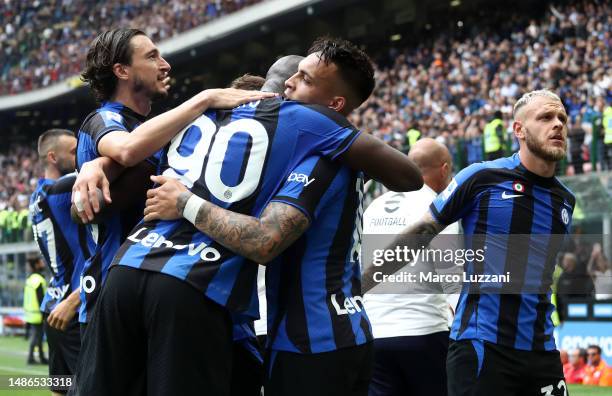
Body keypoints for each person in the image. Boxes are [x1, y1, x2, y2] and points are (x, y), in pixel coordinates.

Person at [73, 37, 421, 396]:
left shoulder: (199, 114)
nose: (292, 83)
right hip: (198, 288)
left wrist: (97, 164)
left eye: (305, 78)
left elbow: (100, 192)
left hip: (124, 271)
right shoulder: (312, 125)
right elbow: (408, 176)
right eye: (296, 75)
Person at [364, 90, 575, 395]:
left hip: (542, 350)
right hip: (483, 346)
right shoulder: (481, 178)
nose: (557, 124)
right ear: (518, 130)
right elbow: (421, 233)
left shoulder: (565, 199)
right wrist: (360, 285)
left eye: (562, 119)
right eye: (545, 117)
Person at [363, 138, 460, 396]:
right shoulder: (438, 208)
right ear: (444, 169)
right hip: (424, 330)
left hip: (375, 334)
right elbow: (453, 279)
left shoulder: (373, 207)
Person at [29, 129, 87, 395]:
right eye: (74, 151)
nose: (81, 156)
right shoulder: (63, 189)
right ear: (52, 157)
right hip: (72, 307)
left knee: (61, 388)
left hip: (51, 305)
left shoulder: (38, 195)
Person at [23, 256, 48, 365]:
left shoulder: (30, 279)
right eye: (41, 262)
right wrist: (44, 313)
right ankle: (31, 358)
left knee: (37, 336)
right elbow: (41, 299)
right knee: (36, 336)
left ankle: (41, 357)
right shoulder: (39, 280)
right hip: (38, 314)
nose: (43, 263)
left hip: (30, 313)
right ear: (37, 264)